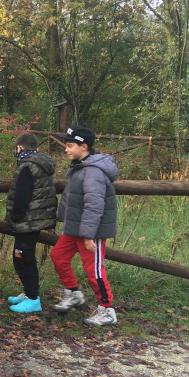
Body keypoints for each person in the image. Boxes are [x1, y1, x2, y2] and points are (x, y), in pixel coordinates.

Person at [50, 126, 119, 326]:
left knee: (94, 271)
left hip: (91, 231)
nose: (66, 149)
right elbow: (72, 199)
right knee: (58, 256)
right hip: (75, 228)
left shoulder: (93, 172)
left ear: (84, 146)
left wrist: (89, 235)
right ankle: (73, 293)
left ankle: (107, 310)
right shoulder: (79, 167)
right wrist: (64, 221)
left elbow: (94, 204)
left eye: (70, 146)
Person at [3, 133, 57, 314]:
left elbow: (22, 195)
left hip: (27, 221)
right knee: (24, 257)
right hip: (35, 219)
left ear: (20, 148)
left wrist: (15, 217)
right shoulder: (41, 164)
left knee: (22, 258)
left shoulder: (27, 166)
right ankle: (29, 292)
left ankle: (33, 298)